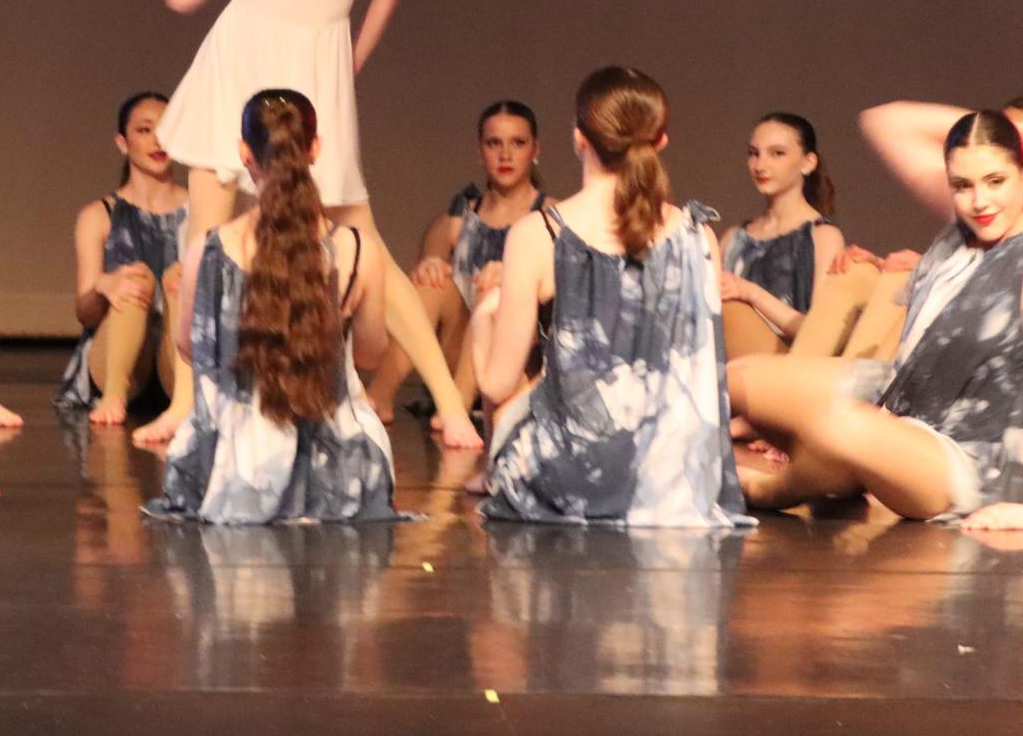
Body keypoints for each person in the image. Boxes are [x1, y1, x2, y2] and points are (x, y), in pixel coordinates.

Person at [139, 0, 478, 450]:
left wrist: (346, 64)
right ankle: (188, 403)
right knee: (206, 239)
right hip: (238, 59)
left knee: (366, 240)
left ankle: (449, 400)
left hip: (317, 65)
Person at [727, 105, 1023, 528]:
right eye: (962, 185)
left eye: (996, 180)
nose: (980, 201)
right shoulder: (969, 224)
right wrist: (1017, 129)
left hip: (976, 458)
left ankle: (768, 490)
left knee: (840, 426)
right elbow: (885, 122)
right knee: (737, 378)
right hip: (901, 405)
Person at [473, 68, 754, 528]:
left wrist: (484, 320)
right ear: (661, 141)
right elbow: (701, 372)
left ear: (579, 138)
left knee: (499, 337)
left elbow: (497, 385)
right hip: (674, 483)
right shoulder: (697, 235)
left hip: (573, 479)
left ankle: (492, 474)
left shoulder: (538, 233)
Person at [144, 89, 397, 523]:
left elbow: (189, 347)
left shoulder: (209, 249)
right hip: (341, 474)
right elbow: (371, 354)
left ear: (245, 153)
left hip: (231, 468)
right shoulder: (358, 248)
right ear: (314, 149)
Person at [368, 100, 545, 421]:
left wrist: (513, 278)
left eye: (517, 143)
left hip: (520, 359)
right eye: (494, 143)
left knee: (496, 292)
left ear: (535, 150)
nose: (505, 154)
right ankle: (378, 398)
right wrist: (431, 265)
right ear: (481, 151)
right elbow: (428, 275)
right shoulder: (455, 222)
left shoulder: (551, 218)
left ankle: (458, 409)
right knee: (430, 283)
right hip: (458, 351)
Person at [58, 92, 192, 425]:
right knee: (136, 279)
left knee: (179, 274)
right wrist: (104, 284)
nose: (158, 140)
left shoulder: (200, 211)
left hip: (178, 367)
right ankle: (114, 398)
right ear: (123, 142)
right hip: (118, 367)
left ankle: (184, 403)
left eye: (167, 128)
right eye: (145, 130)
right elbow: (86, 314)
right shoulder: (99, 215)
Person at [713, 113, 861, 358]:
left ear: (808, 162)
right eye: (753, 153)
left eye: (777, 154)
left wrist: (750, 293)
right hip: (726, 371)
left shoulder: (822, 236)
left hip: (783, 372)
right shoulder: (734, 238)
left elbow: (820, 334)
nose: (760, 166)